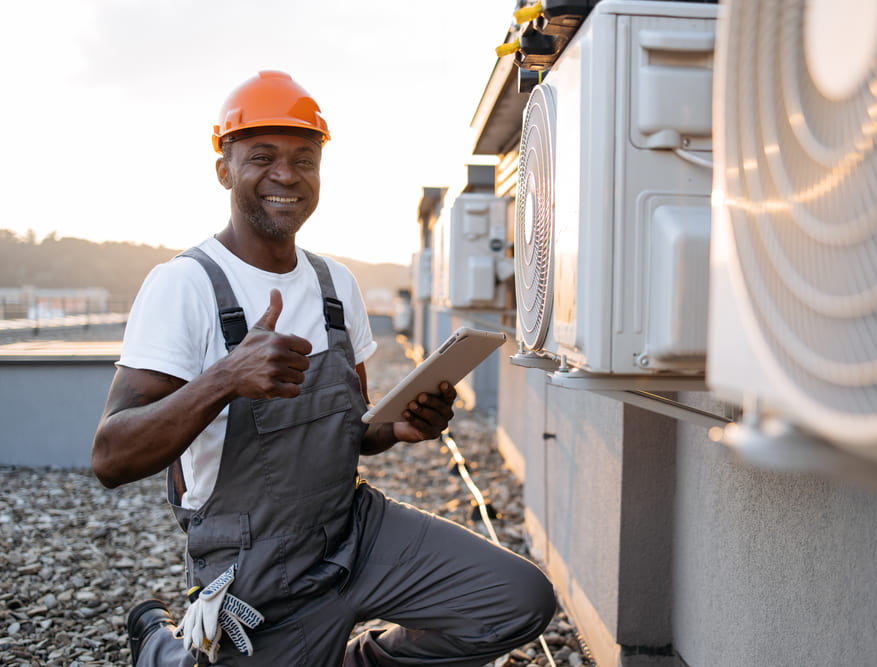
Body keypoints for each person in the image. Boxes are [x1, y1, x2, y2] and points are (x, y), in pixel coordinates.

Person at [91, 70, 556, 667]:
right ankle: (162, 646)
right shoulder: (184, 286)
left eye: (304, 160)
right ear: (224, 169)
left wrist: (397, 426)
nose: (286, 175)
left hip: (353, 529)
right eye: (263, 157)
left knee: (516, 601)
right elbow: (111, 458)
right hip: (256, 563)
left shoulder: (335, 285)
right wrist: (226, 378)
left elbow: (354, 432)